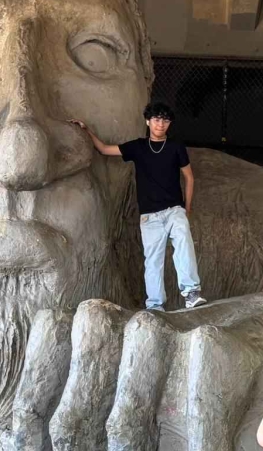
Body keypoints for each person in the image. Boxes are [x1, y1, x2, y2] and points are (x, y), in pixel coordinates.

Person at [76, 102, 205, 311]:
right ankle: (155, 306)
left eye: (165, 120)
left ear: (169, 123)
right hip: (149, 216)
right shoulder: (138, 147)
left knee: (183, 241)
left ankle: (191, 293)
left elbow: (189, 178)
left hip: (174, 210)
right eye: (156, 119)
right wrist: (86, 130)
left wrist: (186, 209)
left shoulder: (175, 147)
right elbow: (104, 149)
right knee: (153, 260)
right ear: (148, 121)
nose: (160, 124)